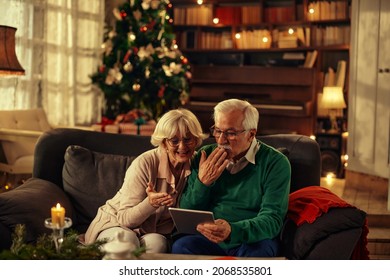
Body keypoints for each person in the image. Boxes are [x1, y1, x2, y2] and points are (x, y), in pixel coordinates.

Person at [171, 99, 291, 257]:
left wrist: (232, 230)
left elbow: (272, 219)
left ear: (251, 134)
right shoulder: (203, 155)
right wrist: (203, 183)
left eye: (231, 133)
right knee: (181, 247)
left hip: (252, 240)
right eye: (218, 131)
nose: (221, 140)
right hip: (207, 238)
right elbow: (186, 210)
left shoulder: (275, 163)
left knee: (259, 255)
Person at [85, 108, 207, 253]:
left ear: (196, 139)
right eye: (174, 141)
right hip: (116, 224)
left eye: (188, 139)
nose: (182, 147)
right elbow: (124, 219)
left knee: (157, 244)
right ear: (163, 142)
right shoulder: (145, 162)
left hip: (151, 231)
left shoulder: (197, 163)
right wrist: (150, 203)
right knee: (127, 242)